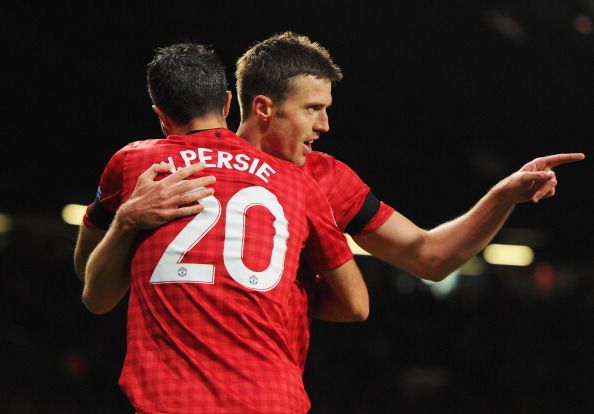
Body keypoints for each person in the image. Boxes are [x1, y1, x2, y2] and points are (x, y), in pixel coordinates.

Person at [106, 32, 585, 374]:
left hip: (268, 392)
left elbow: (430, 257)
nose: (325, 125)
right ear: (263, 107)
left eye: (327, 109)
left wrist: (503, 195)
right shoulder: (178, 167)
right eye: (313, 109)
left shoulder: (326, 178)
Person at [73, 42, 368, 414]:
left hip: (175, 402)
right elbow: (357, 305)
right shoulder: (296, 182)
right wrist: (271, 294)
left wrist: (127, 220)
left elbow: (92, 289)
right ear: (228, 104)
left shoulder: (138, 164)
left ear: (161, 116)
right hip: (274, 400)